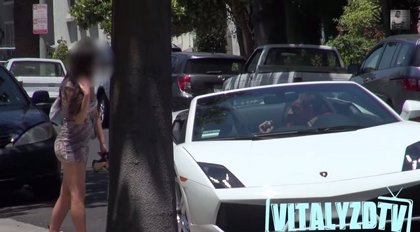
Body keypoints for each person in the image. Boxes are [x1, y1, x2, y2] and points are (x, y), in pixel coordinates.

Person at [49, 39, 108, 232]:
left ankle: (53, 230)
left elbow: (95, 117)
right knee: (77, 195)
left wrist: (102, 141)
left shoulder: (88, 82)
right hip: (69, 145)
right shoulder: (70, 86)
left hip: (80, 146)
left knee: (66, 195)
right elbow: (79, 118)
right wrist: (86, 97)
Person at [258, 93, 331, 133]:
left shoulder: (326, 124)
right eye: (289, 108)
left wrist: (318, 121)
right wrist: (266, 134)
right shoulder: (281, 128)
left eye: (296, 108)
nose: (290, 112)